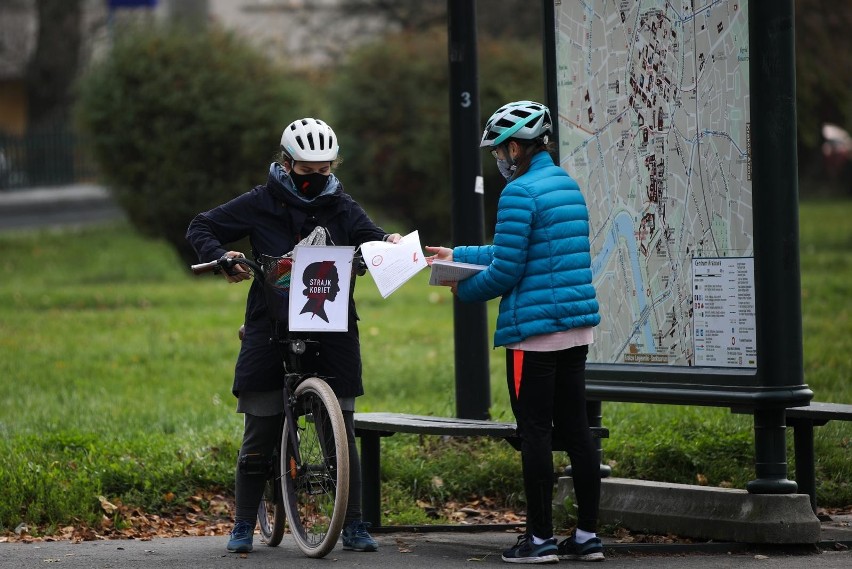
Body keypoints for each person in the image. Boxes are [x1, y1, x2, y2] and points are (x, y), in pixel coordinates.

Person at [186, 117, 401, 554]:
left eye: (324, 170)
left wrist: (388, 243)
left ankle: (354, 523)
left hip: (331, 323)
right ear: (286, 164)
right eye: (306, 170)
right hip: (272, 323)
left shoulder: (341, 205)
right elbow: (200, 226)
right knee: (262, 427)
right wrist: (222, 255)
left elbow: (372, 238)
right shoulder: (260, 201)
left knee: (339, 422)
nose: (316, 178)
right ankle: (244, 522)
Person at [426, 101, 604, 563]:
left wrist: (460, 290)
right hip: (575, 330)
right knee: (578, 431)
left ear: (518, 146)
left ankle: (540, 539)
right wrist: (457, 252)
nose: (499, 159)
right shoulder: (564, 184)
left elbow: (507, 269)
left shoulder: (519, 192)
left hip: (534, 336)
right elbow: (520, 247)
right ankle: (587, 537)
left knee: (535, 433)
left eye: (501, 150)